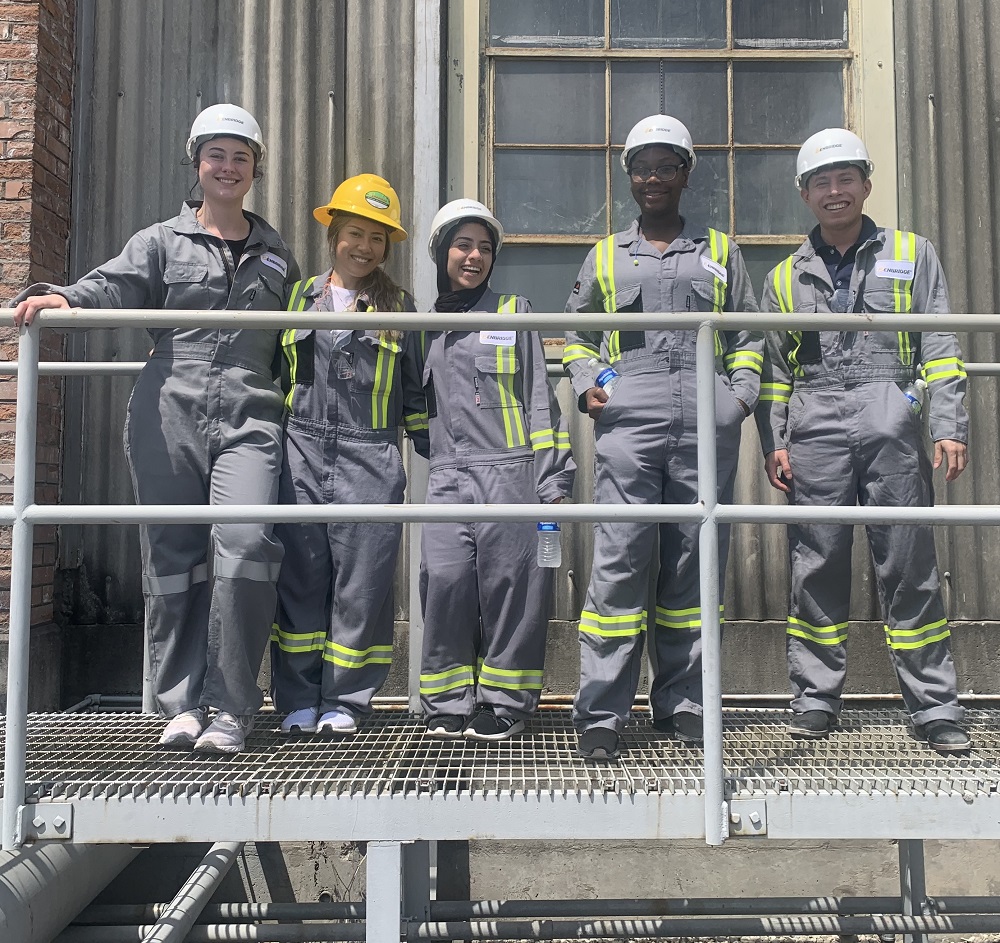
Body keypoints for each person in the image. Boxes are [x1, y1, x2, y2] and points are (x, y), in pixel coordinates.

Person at [13, 105, 300, 754]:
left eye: (241, 157)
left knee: (248, 549)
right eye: (216, 155)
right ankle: (182, 703)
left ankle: (232, 706)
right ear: (196, 162)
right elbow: (113, 285)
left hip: (251, 417)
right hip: (169, 408)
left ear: (255, 169)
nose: (227, 167)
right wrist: (67, 298)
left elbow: (297, 335)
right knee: (172, 559)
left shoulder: (277, 253)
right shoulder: (162, 241)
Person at [755, 127, 971, 752]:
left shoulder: (912, 251)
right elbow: (775, 372)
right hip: (814, 419)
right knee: (816, 564)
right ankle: (815, 701)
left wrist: (947, 424)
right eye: (821, 182)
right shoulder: (784, 278)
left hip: (890, 416)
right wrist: (776, 440)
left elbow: (941, 342)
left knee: (908, 565)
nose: (834, 191)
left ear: (867, 184)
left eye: (845, 178)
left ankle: (934, 707)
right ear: (805, 194)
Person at [563, 114, 762, 761]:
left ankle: (684, 702)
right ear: (630, 177)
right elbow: (576, 333)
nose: (653, 177)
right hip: (633, 412)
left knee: (692, 563)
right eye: (642, 166)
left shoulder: (720, 250)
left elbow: (750, 333)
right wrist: (591, 380)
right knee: (620, 561)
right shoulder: (605, 256)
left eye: (665, 165)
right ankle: (601, 711)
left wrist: (739, 397)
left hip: (706, 412)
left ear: (685, 174)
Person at [416, 198, 576, 741]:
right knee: (445, 582)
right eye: (463, 245)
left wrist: (553, 479)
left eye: (485, 248)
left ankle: (505, 702)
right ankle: (446, 700)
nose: (474, 256)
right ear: (442, 253)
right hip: (447, 475)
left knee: (513, 588)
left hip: (511, 473)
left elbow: (539, 400)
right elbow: (416, 403)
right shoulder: (422, 323)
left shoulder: (514, 311)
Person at [270, 175, 423, 737]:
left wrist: (441, 453)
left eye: (378, 239)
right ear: (333, 233)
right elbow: (273, 376)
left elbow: (415, 396)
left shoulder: (400, 308)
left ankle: (348, 700)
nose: (365, 247)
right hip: (300, 450)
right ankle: (296, 699)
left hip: (371, 454)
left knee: (362, 588)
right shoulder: (297, 297)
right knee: (301, 579)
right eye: (355, 233)